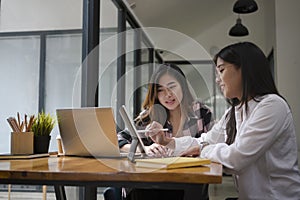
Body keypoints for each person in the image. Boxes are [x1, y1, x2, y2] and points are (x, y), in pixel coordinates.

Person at [147, 42, 300, 200]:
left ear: (244, 69)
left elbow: (236, 158)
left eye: (221, 70)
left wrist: (203, 151)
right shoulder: (234, 112)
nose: (217, 80)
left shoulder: (271, 106)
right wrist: (167, 141)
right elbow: (205, 140)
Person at [107, 63, 214, 200]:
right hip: (153, 185)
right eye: (160, 90)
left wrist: (198, 149)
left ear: (183, 85)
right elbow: (117, 140)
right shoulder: (149, 116)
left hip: (189, 183)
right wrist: (145, 149)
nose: (168, 95)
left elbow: (215, 144)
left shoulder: (200, 112)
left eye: (172, 87)